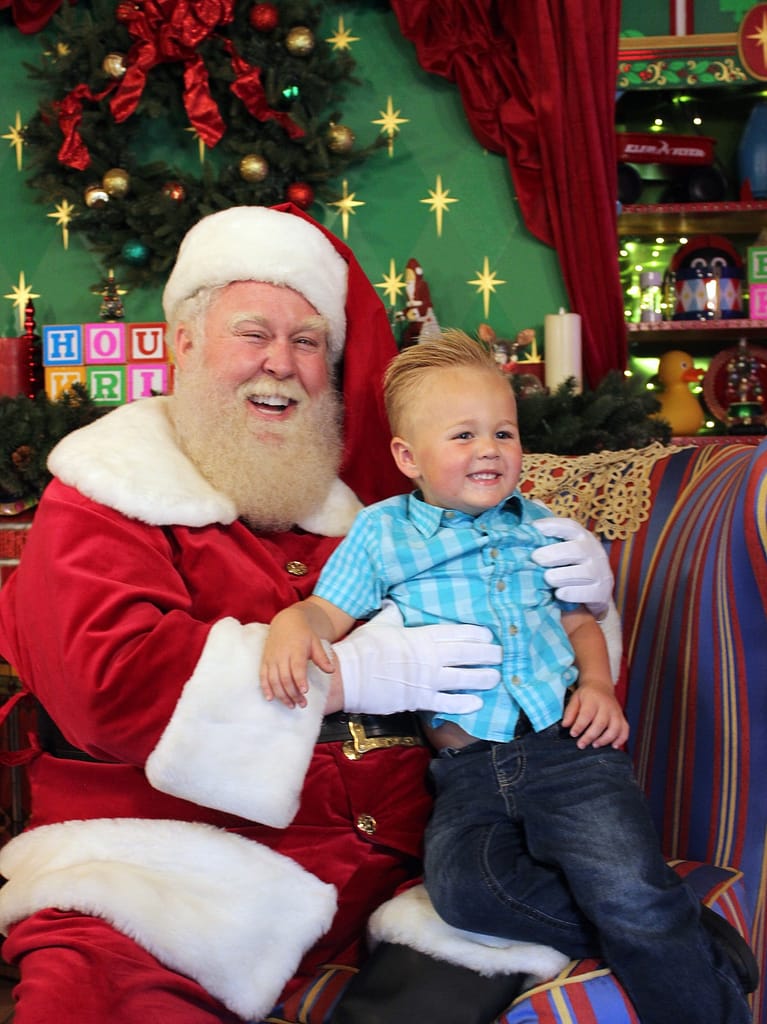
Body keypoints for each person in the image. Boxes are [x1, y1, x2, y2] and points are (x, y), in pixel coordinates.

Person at [0, 204, 619, 1024]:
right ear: (182, 345)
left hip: (406, 859)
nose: (281, 365)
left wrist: (581, 600)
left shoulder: (368, 514)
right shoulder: (106, 490)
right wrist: (344, 677)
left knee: (510, 931)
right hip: (170, 866)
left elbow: (507, 643)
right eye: (252, 334)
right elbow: (106, 680)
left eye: (306, 343)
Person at [261, 330, 758, 1024]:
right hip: (465, 772)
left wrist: (597, 686)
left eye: (503, 431)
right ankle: (680, 932)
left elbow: (581, 621)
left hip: (565, 752)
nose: (489, 448)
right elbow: (325, 610)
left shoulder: (542, 527)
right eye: (462, 434)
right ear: (408, 457)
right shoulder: (381, 535)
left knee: (622, 882)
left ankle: (689, 980)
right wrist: (292, 626)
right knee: (467, 894)